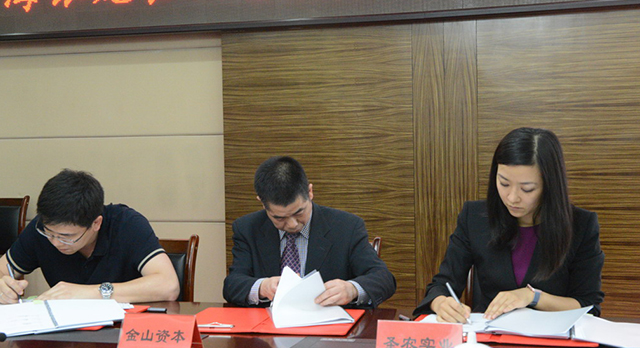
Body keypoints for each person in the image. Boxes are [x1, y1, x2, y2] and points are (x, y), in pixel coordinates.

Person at [414, 127, 604, 321]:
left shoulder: (581, 225)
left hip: (551, 334)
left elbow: (588, 305)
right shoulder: (475, 217)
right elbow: (441, 285)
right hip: (488, 332)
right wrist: (441, 303)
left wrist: (532, 297)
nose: (512, 198)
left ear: (550, 185)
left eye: (527, 189)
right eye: (504, 183)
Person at [223, 156, 396, 308]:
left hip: (329, 327)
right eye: (279, 218)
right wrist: (262, 287)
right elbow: (232, 285)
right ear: (262, 203)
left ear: (310, 192)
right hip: (268, 327)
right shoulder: (247, 228)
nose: (292, 224)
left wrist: (352, 289)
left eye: (299, 212)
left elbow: (383, 279)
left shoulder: (346, 227)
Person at [0, 169, 180, 304]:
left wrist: (90, 293)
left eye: (66, 236)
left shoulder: (127, 224)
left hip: (126, 330)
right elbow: (3, 269)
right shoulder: (41, 228)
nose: (55, 242)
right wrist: (4, 287)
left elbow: (168, 285)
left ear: (96, 223)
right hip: (67, 333)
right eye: (49, 233)